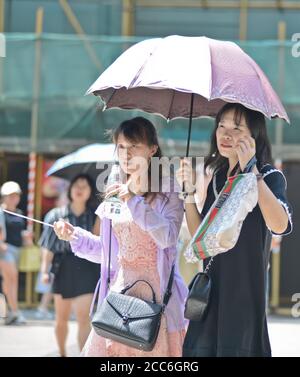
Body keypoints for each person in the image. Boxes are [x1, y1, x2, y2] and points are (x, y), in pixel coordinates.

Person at [53, 117, 188, 357]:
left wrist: (134, 200)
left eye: (134, 146)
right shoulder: (115, 190)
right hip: (120, 294)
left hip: (158, 297)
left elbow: (168, 237)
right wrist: (74, 235)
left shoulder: (168, 189)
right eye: (122, 147)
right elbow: (107, 252)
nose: (126, 154)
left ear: (152, 149)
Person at [176, 103, 293, 357]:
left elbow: (280, 225)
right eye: (221, 126)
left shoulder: (269, 175)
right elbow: (201, 241)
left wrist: (251, 170)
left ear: (254, 136)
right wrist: (188, 192)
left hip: (243, 296)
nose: (226, 135)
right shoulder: (218, 176)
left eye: (237, 128)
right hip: (208, 293)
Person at [39, 174, 100, 356]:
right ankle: (63, 353)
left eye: (85, 186)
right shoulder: (56, 215)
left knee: (83, 318)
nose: (80, 189)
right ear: (70, 189)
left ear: (90, 192)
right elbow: (48, 248)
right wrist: (44, 271)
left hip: (87, 267)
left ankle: (83, 354)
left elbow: (99, 242)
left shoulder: (95, 215)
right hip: (63, 267)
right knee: (61, 319)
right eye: (76, 185)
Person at [0, 181, 29, 325]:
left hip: (17, 250)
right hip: (4, 250)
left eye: (16, 195)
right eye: (10, 195)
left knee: (11, 281)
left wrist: (26, 237)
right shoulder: (0, 211)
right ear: (4, 196)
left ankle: (9, 312)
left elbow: (19, 232)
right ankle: (15, 312)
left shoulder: (20, 213)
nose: (13, 198)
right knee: (10, 280)